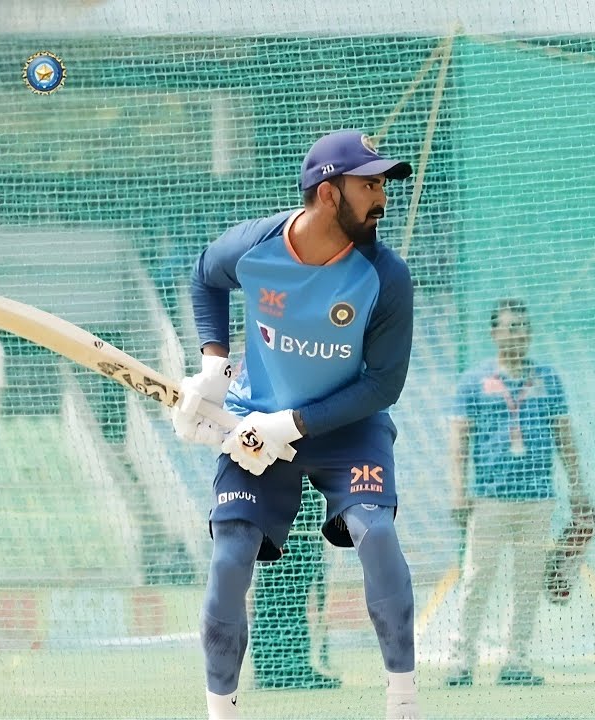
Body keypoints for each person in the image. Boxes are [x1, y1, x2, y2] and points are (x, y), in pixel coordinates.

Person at [170, 129, 420, 720]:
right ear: (328, 194)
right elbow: (206, 275)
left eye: (383, 183)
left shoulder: (386, 276)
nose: (382, 197)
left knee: (376, 535)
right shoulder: (259, 246)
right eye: (370, 184)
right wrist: (212, 365)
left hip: (347, 424)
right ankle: (221, 712)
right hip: (256, 426)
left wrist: (295, 424)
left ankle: (404, 703)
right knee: (230, 558)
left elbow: (384, 385)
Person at [445, 298, 594, 687]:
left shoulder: (548, 378)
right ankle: (461, 662)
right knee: (478, 578)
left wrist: (578, 489)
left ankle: (516, 661)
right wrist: (458, 493)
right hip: (490, 498)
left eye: (524, 327)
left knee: (527, 582)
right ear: (494, 333)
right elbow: (458, 442)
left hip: (538, 497)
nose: (519, 334)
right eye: (511, 327)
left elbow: (564, 436)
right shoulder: (474, 381)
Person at [249, 481, 340, 690]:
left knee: (290, 593)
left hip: (293, 512)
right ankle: (283, 669)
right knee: (283, 591)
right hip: (286, 512)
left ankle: (279, 667)